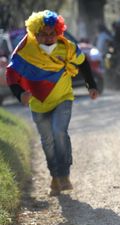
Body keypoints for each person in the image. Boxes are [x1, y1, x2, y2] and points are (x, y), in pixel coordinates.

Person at [6, 10, 99, 196]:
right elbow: (11, 75)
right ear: (35, 33)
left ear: (58, 32)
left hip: (63, 98)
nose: (49, 38)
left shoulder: (67, 46)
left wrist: (91, 85)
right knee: (47, 141)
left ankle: (64, 174)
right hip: (38, 104)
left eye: (52, 33)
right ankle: (55, 176)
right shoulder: (26, 49)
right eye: (44, 34)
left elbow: (83, 62)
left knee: (59, 131)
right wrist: (20, 94)